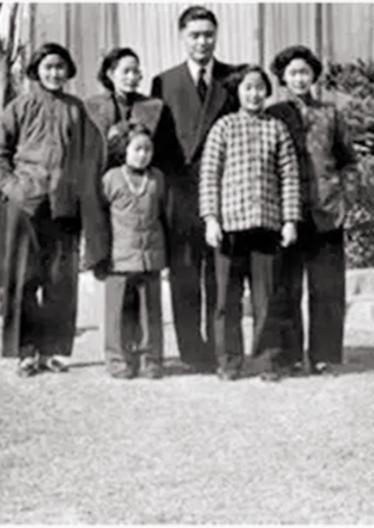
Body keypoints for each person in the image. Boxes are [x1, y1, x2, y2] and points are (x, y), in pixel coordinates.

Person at [0, 43, 103, 375]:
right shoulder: (20, 106)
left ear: (68, 70)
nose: (54, 73)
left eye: (60, 67)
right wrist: (11, 186)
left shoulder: (77, 109)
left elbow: (90, 155)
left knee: (61, 279)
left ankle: (53, 350)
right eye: (48, 67)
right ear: (36, 70)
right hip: (25, 203)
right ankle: (26, 351)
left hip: (64, 206)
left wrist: (78, 192)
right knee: (23, 276)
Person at [150, 5, 239, 372]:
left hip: (224, 191)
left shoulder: (233, 77)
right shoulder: (164, 82)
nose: (202, 42)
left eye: (208, 35)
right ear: (182, 37)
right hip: (181, 192)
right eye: (195, 35)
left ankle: (221, 349)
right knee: (185, 274)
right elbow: (159, 143)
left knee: (220, 273)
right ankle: (192, 350)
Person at [199, 65, 300, 381]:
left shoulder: (277, 129)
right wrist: (211, 219)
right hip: (229, 228)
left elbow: (289, 177)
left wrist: (289, 220)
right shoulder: (224, 127)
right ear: (237, 92)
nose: (254, 94)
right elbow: (209, 176)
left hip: (267, 227)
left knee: (266, 300)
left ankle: (266, 361)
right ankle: (229, 361)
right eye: (248, 88)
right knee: (226, 300)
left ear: (267, 92)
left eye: (259, 88)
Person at [267, 45, 358, 374]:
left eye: (304, 72)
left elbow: (348, 161)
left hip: (326, 211)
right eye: (293, 73)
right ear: (283, 78)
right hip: (287, 213)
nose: (299, 79)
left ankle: (324, 355)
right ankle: (289, 355)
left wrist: (345, 198)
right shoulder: (274, 115)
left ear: (313, 76)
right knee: (287, 287)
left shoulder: (330, 114)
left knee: (327, 288)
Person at [85, 46, 181, 278]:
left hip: (143, 192)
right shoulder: (91, 107)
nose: (132, 77)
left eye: (136, 72)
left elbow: (167, 154)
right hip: (105, 190)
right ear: (110, 74)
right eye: (126, 71)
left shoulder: (155, 108)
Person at [99, 123, 168, 379]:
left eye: (148, 149)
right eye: (137, 149)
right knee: (118, 313)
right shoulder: (111, 178)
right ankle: (119, 360)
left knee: (150, 312)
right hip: (119, 258)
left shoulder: (157, 178)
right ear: (123, 150)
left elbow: (163, 214)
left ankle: (151, 360)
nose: (143, 155)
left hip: (150, 256)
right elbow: (100, 217)